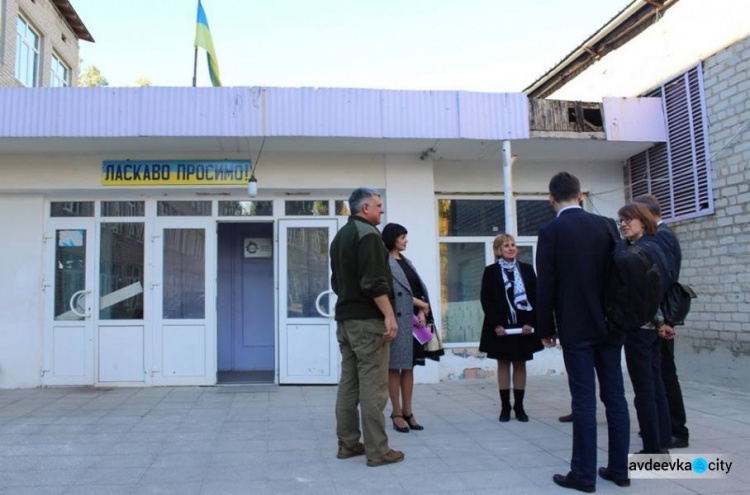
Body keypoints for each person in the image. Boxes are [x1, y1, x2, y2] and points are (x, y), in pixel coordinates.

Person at [536, 172, 630, 492]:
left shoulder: (550, 231)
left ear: (551, 199)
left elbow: (546, 284)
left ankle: (584, 475)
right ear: (580, 195)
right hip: (609, 325)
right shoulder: (606, 225)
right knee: (615, 397)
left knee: (584, 400)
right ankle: (619, 469)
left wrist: (545, 328)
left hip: (576, 328)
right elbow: (620, 274)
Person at [330, 187, 405, 467]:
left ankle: (348, 444)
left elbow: (336, 283)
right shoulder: (369, 236)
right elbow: (374, 282)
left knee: (349, 384)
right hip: (368, 323)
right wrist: (389, 315)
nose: (381, 210)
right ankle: (378, 451)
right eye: (378, 205)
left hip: (346, 322)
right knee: (373, 387)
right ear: (365, 209)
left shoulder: (340, 237)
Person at [617, 202, 674, 455]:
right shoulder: (657, 247)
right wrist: (662, 322)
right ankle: (662, 441)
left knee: (644, 391)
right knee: (656, 385)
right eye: (621, 220)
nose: (624, 224)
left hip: (641, 327)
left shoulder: (639, 251)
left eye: (629, 219)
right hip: (654, 326)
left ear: (644, 221)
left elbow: (643, 293)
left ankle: (652, 448)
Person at [634, 194, 689, 449]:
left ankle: (675, 430)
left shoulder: (661, 236)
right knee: (662, 373)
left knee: (665, 374)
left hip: (661, 316)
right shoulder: (662, 234)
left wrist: (660, 319)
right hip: (659, 315)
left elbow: (662, 277)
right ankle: (661, 428)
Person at [479, 233, 543, 422]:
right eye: (506, 245)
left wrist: (530, 323)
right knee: (504, 363)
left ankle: (520, 406)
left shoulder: (527, 270)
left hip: (523, 326)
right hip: (500, 326)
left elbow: (535, 297)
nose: (511, 248)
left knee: (520, 363)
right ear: (498, 250)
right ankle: (505, 406)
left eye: (513, 245)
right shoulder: (490, 271)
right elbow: (486, 299)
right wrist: (496, 324)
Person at [381, 223, 430, 433]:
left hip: (413, 322)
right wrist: (420, 305)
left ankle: (408, 411)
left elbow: (416, 291)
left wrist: (422, 312)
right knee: (394, 367)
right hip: (397, 321)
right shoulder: (385, 263)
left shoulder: (407, 262)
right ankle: (397, 412)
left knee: (408, 367)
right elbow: (392, 293)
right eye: (402, 237)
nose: (405, 240)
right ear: (392, 239)